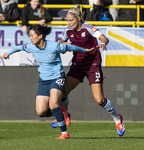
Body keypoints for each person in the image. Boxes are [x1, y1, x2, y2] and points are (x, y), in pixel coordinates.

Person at [2, 24, 94, 139]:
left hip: (57, 77)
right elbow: (19, 47)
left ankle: (64, 133)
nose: (30, 38)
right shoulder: (30, 46)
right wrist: (7, 54)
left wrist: (85, 50)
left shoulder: (54, 46)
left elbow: (71, 47)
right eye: (29, 35)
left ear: (40, 36)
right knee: (41, 112)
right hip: (43, 80)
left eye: (32, 35)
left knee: (53, 104)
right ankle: (62, 112)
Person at [51, 5, 125, 137]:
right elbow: (62, 41)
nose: (69, 23)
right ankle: (65, 113)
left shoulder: (88, 28)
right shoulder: (67, 30)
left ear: (79, 19)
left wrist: (102, 44)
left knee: (99, 100)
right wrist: (63, 43)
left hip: (93, 65)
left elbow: (104, 39)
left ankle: (117, 119)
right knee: (62, 94)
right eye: (67, 20)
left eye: (71, 20)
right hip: (78, 64)